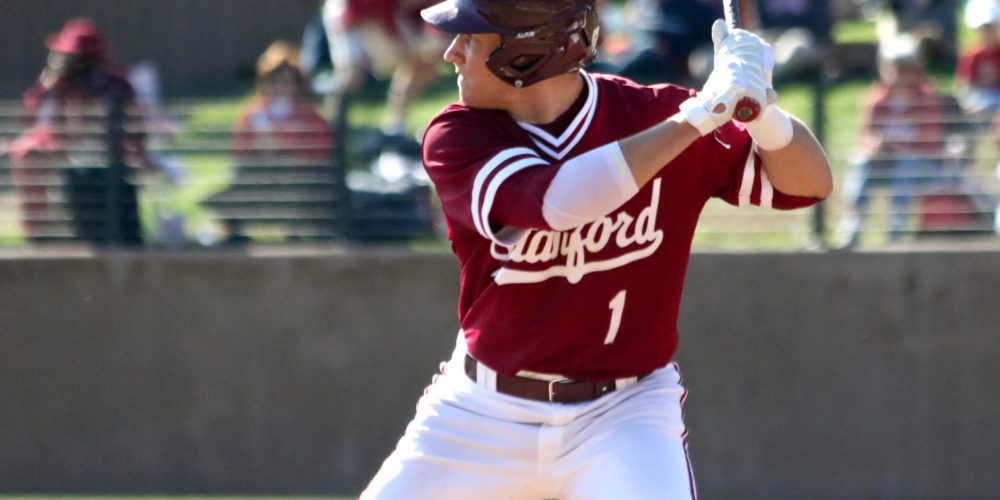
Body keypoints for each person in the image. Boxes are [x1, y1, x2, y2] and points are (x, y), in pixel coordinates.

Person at [361, 0, 831, 497]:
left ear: (527, 54)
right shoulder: (456, 134)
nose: (452, 52)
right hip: (482, 410)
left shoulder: (654, 115)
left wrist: (763, 113)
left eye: (473, 38)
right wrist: (700, 115)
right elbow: (560, 202)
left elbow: (809, 184)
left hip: (624, 414)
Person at [9, 18, 146, 244]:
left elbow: (135, 130)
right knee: (26, 155)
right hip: (63, 151)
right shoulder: (55, 85)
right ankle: (37, 238)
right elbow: (30, 116)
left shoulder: (115, 85)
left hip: (109, 157)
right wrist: (49, 80)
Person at [212, 41, 333, 243]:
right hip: (260, 179)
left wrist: (289, 149)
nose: (280, 86)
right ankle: (237, 236)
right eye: (274, 80)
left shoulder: (309, 116)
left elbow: (321, 152)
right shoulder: (252, 115)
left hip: (299, 180)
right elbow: (239, 153)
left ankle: (295, 230)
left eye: (286, 81)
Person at [838, 34, 945, 247]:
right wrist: (875, 148)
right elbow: (866, 137)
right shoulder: (877, 100)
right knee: (861, 163)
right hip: (884, 162)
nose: (900, 75)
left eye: (906, 68)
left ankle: (896, 231)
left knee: (906, 167)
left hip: (919, 164)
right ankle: (852, 227)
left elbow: (933, 139)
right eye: (895, 67)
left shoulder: (926, 98)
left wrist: (900, 145)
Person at [321, 0, 441, 143]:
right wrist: (402, 44)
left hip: (383, 14)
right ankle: (329, 135)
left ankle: (395, 129)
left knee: (422, 64)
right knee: (352, 74)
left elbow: (432, 15)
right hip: (351, 8)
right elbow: (377, 9)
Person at [955, 0, 1000, 121]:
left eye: (991, 28)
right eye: (984, 29)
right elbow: (964, 86)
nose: (987, 33)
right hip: (979, 101)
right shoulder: (972, 55)